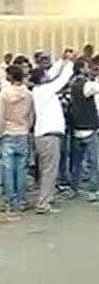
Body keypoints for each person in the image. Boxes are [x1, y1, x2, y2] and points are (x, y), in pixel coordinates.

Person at [30, 57, 74, 214]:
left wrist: (62, 60)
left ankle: (46, 197)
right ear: (42, 78)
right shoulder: (45, 91)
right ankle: (44, 203)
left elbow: (53, 74)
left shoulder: (38, 91)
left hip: (43, 135)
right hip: (49, 135)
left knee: (46, 169)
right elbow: (62, 79)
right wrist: (69, 63)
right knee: (50, 170)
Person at [68, 57, 99, 202]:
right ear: (81, 68)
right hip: (90, 128)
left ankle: (74, 187)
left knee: (77, 162)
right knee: (94, 162)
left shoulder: (72, 84)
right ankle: (93, 190)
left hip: (77, 127)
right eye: (87, 66)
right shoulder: (86, 85)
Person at [0, 64, 34, 218]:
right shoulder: (28, 94)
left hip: (8, 132)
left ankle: (9, 201)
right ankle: (21, 200)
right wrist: (27, 128)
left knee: (8, 169)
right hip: (22, 131)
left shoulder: (4, 94)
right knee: (21, 168)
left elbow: (1, 116)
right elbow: (31, 115)